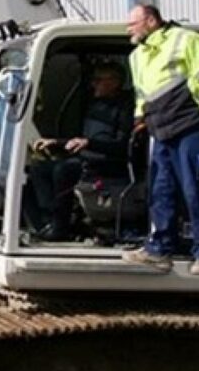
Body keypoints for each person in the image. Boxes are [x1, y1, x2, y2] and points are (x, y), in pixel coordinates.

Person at [121, 4, 199, 274]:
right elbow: (143, 92)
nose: (128, 29)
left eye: (133, 23)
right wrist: (140, 119)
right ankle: (159, 250)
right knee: (160, 192)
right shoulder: (137, 55)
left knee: (195, 190)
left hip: (191, 128)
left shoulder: (187, 40)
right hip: (161, 131)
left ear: (150, 21)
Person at [27, 61, 134, 241]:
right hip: (87, 157)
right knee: (37, 169)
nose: (94, 84)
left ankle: (61, 228)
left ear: (115, 82)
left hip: (109, 162)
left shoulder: (125, 109)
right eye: (94, 80)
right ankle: (46, 220)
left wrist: (89, 144)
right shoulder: (95, 106)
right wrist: (56, 142)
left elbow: (122, 145)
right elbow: (81, 140)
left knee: (64, 170)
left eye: (99, 80)